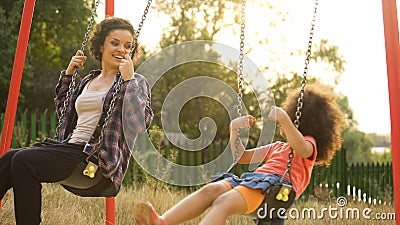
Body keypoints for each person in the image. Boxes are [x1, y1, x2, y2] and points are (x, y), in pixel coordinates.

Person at [0, 17, 153, 225]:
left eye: (128, 46)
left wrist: (129, 80)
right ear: (101, 45)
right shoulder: (89, 80)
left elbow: (139, 123)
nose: (121, 50)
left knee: (24, 161)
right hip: (69, 147)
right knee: (9, 158)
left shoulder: (136, 81)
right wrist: (69, 74)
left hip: (92, 159)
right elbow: (65, 112)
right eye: (114, 43)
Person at [133, 83, 345, 225]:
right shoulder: (277, 148)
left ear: (300, 121)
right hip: (252, 182)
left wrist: (283, 120)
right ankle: (162, 221)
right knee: (212, 190)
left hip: (272, 189)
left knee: (223, 203)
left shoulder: (308, 145)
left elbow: (302, 148)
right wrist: (235, 130)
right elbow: (242, 157)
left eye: (290, 118)